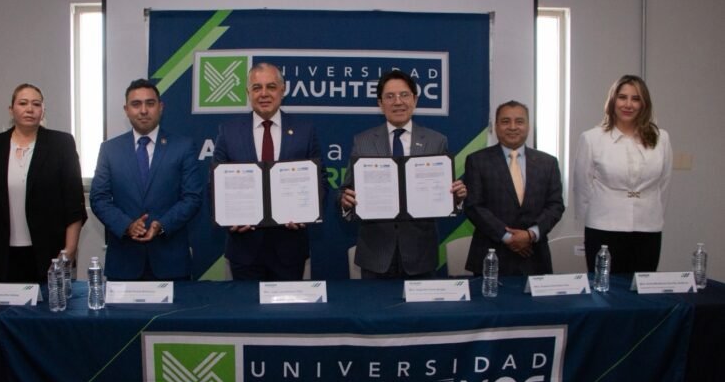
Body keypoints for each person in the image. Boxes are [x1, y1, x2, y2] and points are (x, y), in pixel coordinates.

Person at [339, 70, 467, 279]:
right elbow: (346, 189)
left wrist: (457, 198)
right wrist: (345, 202)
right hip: (376, 253)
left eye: (404, 95)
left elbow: (445, 193)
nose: (398, 102)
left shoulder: (436, 141)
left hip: (420, 254)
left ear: (415, 100)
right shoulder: (363, 141)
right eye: (390, 96)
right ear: (380, 104)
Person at [212, 62, 325, 281]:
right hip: (244, 249)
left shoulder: (305, 131)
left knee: (288, 305)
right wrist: (229, 218)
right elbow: (215, 184)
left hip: (289, 248)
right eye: (257, 88)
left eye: (271, 87)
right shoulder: (228, 131)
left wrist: (307, 213)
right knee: (245, 304)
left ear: (283, 90)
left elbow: (320, 180)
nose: (264, 93)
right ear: (248, 93)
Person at [0, 83, 87, 282]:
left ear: (43, 110)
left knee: (50, 302)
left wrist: (69, 250)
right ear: (11, 109)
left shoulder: (61, 144)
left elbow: (74, 204)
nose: (30, 109)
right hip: (0, 254)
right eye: (23, 103)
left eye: (36, 104)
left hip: (51, 254)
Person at [90, 79, 203, 280]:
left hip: (171, 262)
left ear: (160, 107)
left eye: (150, 103)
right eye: (136, 104)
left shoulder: (183, 147)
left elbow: (192, 197)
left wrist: (162, 224)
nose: (143, 110)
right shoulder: (109, 149)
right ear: (126, 110)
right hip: (124, 261)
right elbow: (99, 198)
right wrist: (127, 225)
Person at [573, 75, 673, 273]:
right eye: (622, 97)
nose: (628, 104)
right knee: (605, 288)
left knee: (641, 287)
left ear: (644, 104)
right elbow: (582, 187)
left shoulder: (661, 138)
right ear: (613, 100)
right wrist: (588, 220)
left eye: (635, 99)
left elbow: (664, 184)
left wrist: (654, 216)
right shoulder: (592, 138)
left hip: (648, 227)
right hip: (603, 227)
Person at [463, 101, 565, 275]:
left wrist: (530, 234)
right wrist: (508, 237)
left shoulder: (548, 163)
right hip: (491, 255)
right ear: (496, 126)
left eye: (519, 121)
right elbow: (474, 206)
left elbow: (555, 205)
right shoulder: (477, 161)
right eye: (505, 121)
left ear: (528, 125)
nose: (512, 127)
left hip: (534, 256)